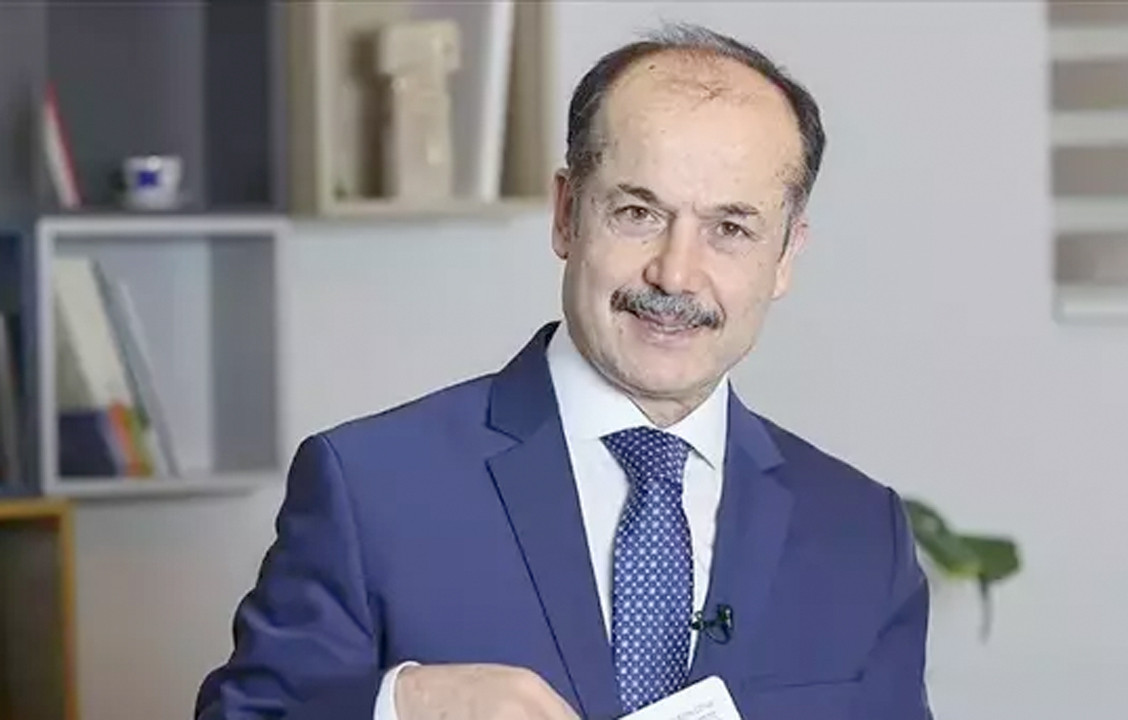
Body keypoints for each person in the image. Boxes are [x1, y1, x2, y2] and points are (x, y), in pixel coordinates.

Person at [195, 22, 931, 720]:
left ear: (786, 255)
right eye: (638, 213)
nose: (676, 274)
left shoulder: (861, 531)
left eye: (730, 229)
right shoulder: (370, 487)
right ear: (567, 214)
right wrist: (405, 706)